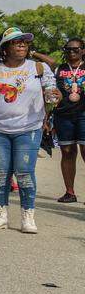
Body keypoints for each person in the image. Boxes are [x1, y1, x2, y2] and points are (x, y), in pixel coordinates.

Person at [0, 27, 60, 233]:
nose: (22, 44)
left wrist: (54, 95)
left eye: (25, 41)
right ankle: (1, 215)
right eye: (16, 42)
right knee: (0, 174)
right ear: (5, 48)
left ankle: (28, 217)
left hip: (29, 129)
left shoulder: (39, 68)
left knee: (24, 172)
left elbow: (52, 90)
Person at [52, 37, 85, 202]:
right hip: (63, 115)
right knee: (67, 152)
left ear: (83, 51)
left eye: (76, 49)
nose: (71, 52)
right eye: (68, 49)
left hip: (84, 115)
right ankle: (70, 192)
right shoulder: (59, 68)